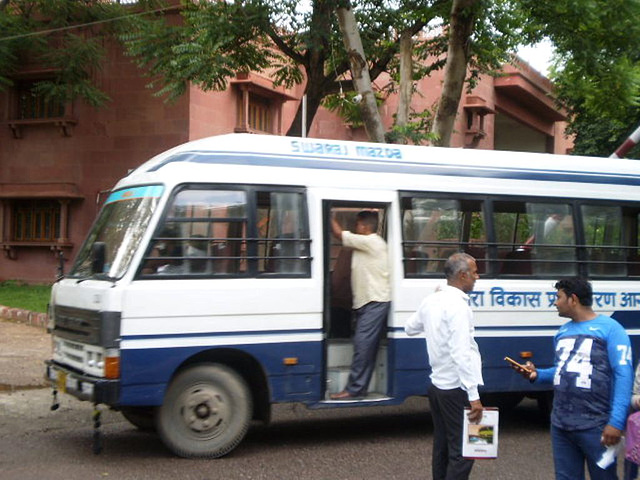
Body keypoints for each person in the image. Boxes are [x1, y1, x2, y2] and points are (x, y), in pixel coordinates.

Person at [511, 277, 633, 480]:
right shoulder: (562, 332)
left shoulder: (612, 330)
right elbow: (564, 371)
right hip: (561, 425)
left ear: (573, 299)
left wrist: (616, 422)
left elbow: (623, 376)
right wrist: (537, 374)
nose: (555, 302)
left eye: (558, 297)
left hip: (597, 426)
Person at [405, 252, 484, 480]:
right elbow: (461, 353)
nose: (477, 277)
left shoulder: (432, 300)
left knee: (443, 446)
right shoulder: (458, 307)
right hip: (455, 388)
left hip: (437, 387)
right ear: (462, 275)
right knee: (465, 451)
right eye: (475, 272)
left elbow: (410, 328)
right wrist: (474, 396)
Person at [329, 210, 391, 400]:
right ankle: (359, 386)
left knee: (363, 344)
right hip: (366, 302)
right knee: (364, 344)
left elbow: (339, 234)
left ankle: (355, 389)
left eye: (357, 225)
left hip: (375, 301)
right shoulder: (365, 244)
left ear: (364, 226)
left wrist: (328, 215)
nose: (355, 229)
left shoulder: (371, 241)